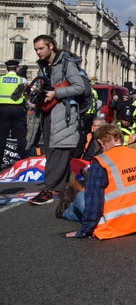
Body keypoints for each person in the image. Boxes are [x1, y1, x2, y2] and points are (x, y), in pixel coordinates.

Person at [63, 124, 136, 239]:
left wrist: (85, 230)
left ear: (101, 142)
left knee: (81, 198)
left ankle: (67, 210)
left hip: (119, 220)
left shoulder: (101, 162)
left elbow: (95, 200)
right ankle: (69, 207)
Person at [29, 35, 87, 206]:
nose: (38, 52)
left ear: (51, 46)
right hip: (48, 113)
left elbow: (79, 87)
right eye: (36, 49)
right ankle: (67, 189)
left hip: (64, 114)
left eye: (41, 48)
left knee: (57, 151)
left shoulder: (66, 64)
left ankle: (49, 190)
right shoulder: (44, 66)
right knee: (52, 151)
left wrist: (56, 93)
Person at [0, 60, 28, 162]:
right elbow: (25, 91)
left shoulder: (1, 79)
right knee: (21, 137)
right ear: (17, 68)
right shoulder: (22, 80)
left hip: (2, 110)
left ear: (7, 68)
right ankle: (24, 161)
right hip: (18, 109)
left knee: (1, 137)